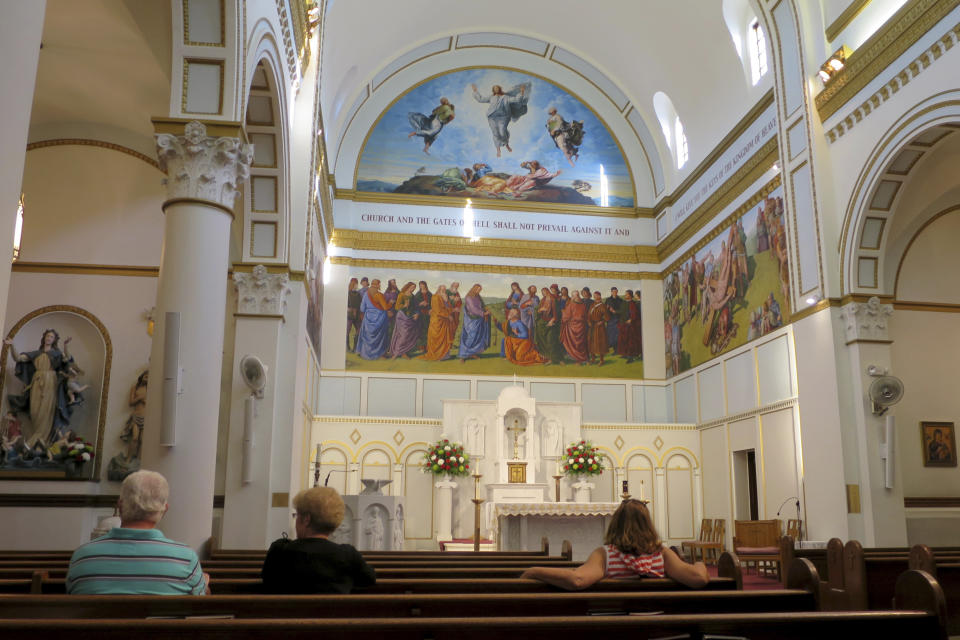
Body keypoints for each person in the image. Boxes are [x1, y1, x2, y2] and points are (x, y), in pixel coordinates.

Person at [66, 470, 209, 595]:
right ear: (164, 510)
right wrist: (204, 585)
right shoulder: (186, 558)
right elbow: (200, 605)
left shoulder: (82, 556)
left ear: (120, 505)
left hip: (98, 627)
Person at [520, 499, 708, 590]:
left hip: (613, 625)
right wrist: (699, 563)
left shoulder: (605, 555)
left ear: (616, 522)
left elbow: (577, 580)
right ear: (647, 524)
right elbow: (699, 578)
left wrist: (534, 571)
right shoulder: (662, 555)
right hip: (656, 623)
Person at [262, 487, 376, 594]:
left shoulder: (280, 551)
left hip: (285, 614)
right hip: (334, 615)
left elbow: (267, 581)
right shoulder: (348, 555)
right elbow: (369, 579)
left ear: (306, 519)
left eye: (297, 515)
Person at [5, 329, 76, 449]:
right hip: (37, 382)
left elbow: (68, 359)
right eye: (48, 336)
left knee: (46, 411)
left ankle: (40, 442)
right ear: (44, 338)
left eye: (52, 337)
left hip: (50, 382)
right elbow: (18, 358)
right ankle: (37, 439)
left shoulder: (57, 353)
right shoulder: (35, 353)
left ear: (54, 340)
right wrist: (12, 346)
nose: (49, 338)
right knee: (35, 411)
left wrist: (65, 346)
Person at [471, 82, 531, 157]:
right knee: (495, 133)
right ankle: (498, 149)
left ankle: (506, 144)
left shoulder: (505, 97)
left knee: (502, 131)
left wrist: (522, 92)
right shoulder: (491, 97)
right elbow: (481, 99)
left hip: (503, 117)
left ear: (499, 89)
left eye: (497, 88)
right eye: (494, 88)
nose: (496, 89)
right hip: (492, 117)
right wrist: (475, 91)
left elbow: (516, 100)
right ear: (493, 90)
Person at [354, 279, 393, 360]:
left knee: (368, 336)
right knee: (380, 337)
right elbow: (385, 307)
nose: (380, 286)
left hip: (368, 318)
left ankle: (365, 354)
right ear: (377, 285)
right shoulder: (379, 295)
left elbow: (362, 308)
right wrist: (391, 303)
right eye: (379, 284)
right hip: (380, 317)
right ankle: (380, 355)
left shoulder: (365, 294)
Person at [458, 284, 491, 361]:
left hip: (479, 319)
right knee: (471, 337)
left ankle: (472, 353)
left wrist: (486, 309)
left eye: (480, 290)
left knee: (478, 337)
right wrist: (484, 313)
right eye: (477, 289)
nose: (478, 291)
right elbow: (473, 309)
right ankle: (462, 356)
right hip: (471, 320)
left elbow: (482, 305)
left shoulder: (478, 297)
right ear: (474, 289)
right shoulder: (469, 297)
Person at [423, 284, 454, 360]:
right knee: (437, 338)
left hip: (445, 321)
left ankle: (444, 356)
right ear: (439, 289)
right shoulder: (435, 297)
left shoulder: (445, 297)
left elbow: (449, 309)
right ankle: (437, 355)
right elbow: (438, 311)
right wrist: (448, 316)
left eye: (444, 289)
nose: (443, 291)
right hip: (437, 320)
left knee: (444, 338)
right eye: (442, 289)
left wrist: (447, 301)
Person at [389, 282, 419, 359]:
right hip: (402, 317)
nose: (413, 289)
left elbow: (416, 307)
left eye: (414, 288)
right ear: (408, 287)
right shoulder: (401, 295)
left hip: (410, 318)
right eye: (412, 287)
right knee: (402, 335)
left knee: (407, 336)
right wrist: (404, 306)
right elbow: (396, 307)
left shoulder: (413, 296)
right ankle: (396, 353)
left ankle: (403, 353)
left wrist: (417, 314)